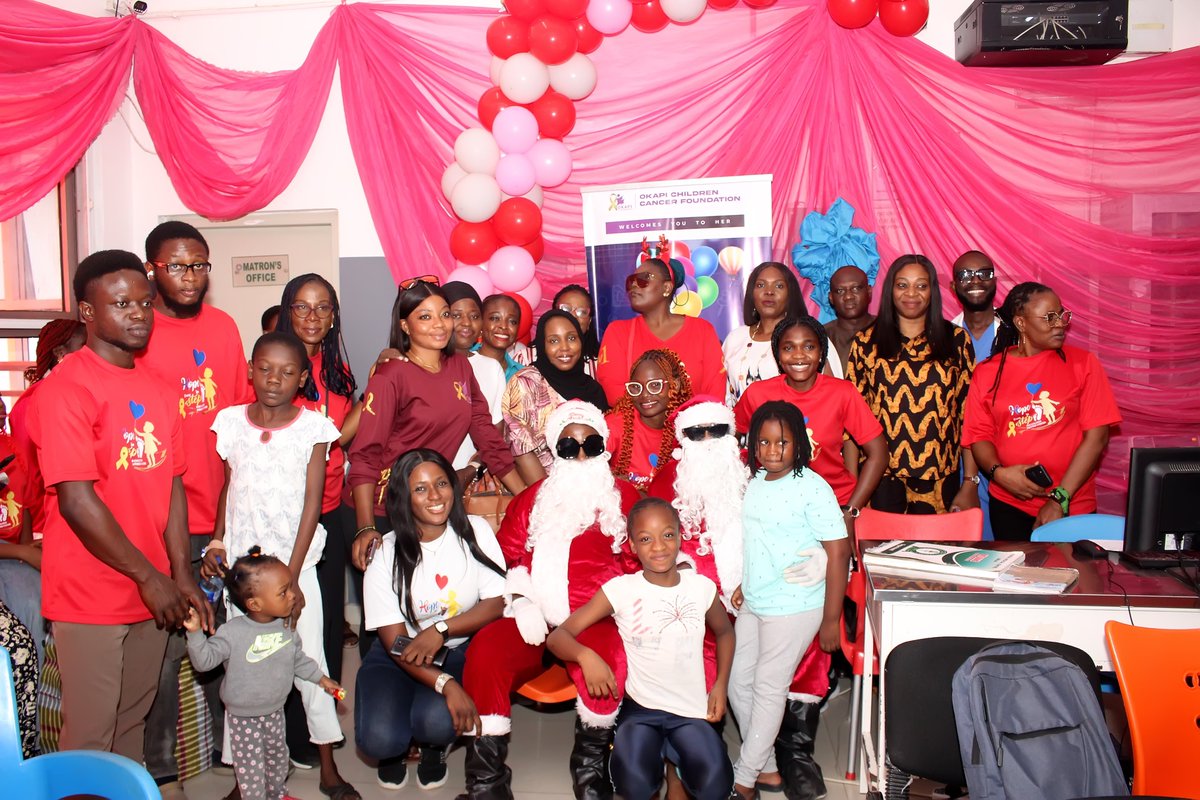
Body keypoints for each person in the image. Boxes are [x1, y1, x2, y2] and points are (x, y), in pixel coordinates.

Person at [29, 250, 208, 763]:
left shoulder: (157, 387)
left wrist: (179, 572)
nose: (138, 314)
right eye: (122, 304)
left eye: (145, 302)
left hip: (152, 589)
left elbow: (173, 485)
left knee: (133, 723)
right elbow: (77, 501)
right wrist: (148, 576)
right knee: (90, 735)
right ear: (88, 312)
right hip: (92, 592)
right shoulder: (67, 388)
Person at [204, 331, 358, 800]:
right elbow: (228, 487)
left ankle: (327, 765)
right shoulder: (230, 422)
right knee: (243, 673)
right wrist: (215, 540)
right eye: (265, 369)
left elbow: (313, 502)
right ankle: (240, 774)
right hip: (245, 576)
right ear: (250, 369)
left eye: (288, 372)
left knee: (310, 660)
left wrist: (291, 579)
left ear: (303, 378)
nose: (275, 379)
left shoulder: (314, 427)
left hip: (295, 567)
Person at [461, 400, 641, 799]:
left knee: (611, 656)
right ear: (554, 451)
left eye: (590, 445)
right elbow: (502, 557)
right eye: (567, 446)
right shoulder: (533, 498)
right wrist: (522, 600)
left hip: (595, 619)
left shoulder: (624, 498)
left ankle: (592, 770)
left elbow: (641, 564)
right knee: (486, 652)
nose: (579, 455)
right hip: (532, 616)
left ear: (604, 447)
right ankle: (486, 780)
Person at [137, 220, 252, 795]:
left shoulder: (225, 327)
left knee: (225, 645)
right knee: (162, 656)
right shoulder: (136, 330)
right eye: (178, 265)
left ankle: (224, 752)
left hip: (221, 522)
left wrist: (230, 522)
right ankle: (161, 772)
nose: (191, 277)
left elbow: (238, 428)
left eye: (200, 265)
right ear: (152, 268)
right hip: (161, 524)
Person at [548, 497, 735, 800]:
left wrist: (721, 685)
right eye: (646, 539)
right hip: (641, 712)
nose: (659, 547)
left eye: (668, 535)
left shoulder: (701, 588)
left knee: (716, 784)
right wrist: (586, 656)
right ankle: (655, 774)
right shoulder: (621, 589)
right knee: (633, 783)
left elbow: (725, 631)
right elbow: (558, 636)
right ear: (633, 547)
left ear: (679, 537)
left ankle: (675, 771)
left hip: (690, 711)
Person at [349, 279, 524, 576]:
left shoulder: (460, 365)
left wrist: (524, 499)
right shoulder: (391, 375)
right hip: (383, 508)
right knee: (390, 610)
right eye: (425, 316)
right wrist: (365, 526)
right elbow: (365, 454)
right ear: (405, 326)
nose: (440, 324)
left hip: (431, 502)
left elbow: (486, 436)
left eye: (444, 314)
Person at [356, 449, 506, 791]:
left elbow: (498, 601)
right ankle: (393, 749)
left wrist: (441, 630)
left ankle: (432, 749)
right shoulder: (384, 552)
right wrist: (446, 685)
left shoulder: (475, 531)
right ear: (403, 497)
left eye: (441, 483)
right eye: (420, 488)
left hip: (452, 651)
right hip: (395, 657)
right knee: (379, 739)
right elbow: (396, 641)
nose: (435, 496)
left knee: (436, 721)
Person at [728, 402, 849, 800]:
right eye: (763, 442)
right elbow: (759, 539)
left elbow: (838, 550)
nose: (772, 449)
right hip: (756, 600)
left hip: (797, 603)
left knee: (766, 686)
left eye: (782, 441)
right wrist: (747, 581)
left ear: (799, 442)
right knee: (737, 684)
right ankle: (766, 769)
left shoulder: (812, 486)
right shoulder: (757, 480)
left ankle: (744, 780)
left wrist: (832, 619)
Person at [274, 273, 362, 764]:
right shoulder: (280, 364)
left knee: (328, 627)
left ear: (333, 317)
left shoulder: (335, 369)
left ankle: (320, 731)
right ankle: (288, 729)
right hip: (288, 516)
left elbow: (339, 438)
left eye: (323, 307)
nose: (312, 316)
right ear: (287, 311)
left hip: (331, 509)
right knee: (285, 624)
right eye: (302, 307)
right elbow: (319, 438)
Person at [963, 283, 1121, 540]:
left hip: (1071, 506)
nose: (1060, 323)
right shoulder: (988, 371)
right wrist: (999, 474)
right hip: (1009, 504)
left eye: (1061, 315)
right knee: (1013, 578)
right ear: (1021, 323)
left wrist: (1060, 499)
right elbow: (979, 435)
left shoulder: (1083, 364)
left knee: (1075, 578)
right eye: (1049, 317)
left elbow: (1097, 438)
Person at [185, 549, 343, 800]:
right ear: (255, 604)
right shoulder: (233, 632)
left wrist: (321, 679)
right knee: (252, 775)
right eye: (284, 592)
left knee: (278, 762)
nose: (293, 596)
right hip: (243, 719)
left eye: (290, 588)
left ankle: (277, 795)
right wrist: (194, 634)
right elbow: (204, 661)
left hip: (275, 712)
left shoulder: (286, 628)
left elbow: (298, 660)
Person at [846, 255, 980, 515]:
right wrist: (852, 483)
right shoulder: (865, 342)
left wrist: (970, 482)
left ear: (932, 291)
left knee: (934, 555)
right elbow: (852, 421)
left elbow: (970, 416)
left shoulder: (956, 340)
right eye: (902, 285)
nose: (911, 294)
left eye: (921, 285)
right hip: (879, 480)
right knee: (881, 555)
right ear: (890, 290)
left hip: (941, 480)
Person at [735, 316, 887, 524]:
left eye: (809, 347)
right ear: (777, 355)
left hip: (834, 505)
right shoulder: (757, 394)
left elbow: (878, 454)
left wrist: (850, 511)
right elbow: (729, 439)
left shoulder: (842, 393)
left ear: (821, 353)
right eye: (788, 348)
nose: (799, 356)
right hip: (775, 508)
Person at [596, 256, 725, 406]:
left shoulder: (703, 330)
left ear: (667, 288)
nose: (634, 286)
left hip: (691, 426)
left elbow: (714, 395)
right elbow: (614, 394)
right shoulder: (618, 332)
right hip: (636, 428)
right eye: (631, 281)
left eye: (644, 279)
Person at [502, 309, 609, 484]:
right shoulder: (526, 383)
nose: (565, 347)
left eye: (572, 338)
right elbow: (521, 452)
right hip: (545, 491)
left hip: (591, 490)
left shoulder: (593, 389)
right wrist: (551, 498)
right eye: (553, 341)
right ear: (543, 345)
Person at [950, 250, 1001, 540]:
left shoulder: (1017, 333)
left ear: (995, 280)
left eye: (984, 273)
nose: (976, 280)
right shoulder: (945, 336)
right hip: (959, 462)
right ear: (953, 286)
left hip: (1005, 457)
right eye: (965, 275)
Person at [605, 348, 693, 492]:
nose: (644, 394)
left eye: (655, 385)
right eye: (636, 387)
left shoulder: (688, 429)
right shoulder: (614, 425)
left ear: (675, 385)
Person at [444, 281, 508, 477]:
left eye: (474, 316)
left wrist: (475, 468)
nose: (466, 323)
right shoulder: (426, 365)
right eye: (456, 315)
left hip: (475, 481)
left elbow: (496, 432)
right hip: (428, 479)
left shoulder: (491, 368)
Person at [722, 261, 806, 405]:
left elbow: (826, 394)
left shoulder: (805, 338)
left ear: (790, 295)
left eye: (779, 286)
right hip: (739, 426)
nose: (769, 292)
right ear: (751, 293)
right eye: (761, 285)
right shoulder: (735, 338)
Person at [823, 265, 875, 380]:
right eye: (840, 291)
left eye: (856, 288)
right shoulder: (820, 336)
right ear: (831, 297)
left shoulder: (890, 329)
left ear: (869, 292)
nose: (848, 296)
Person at [474, 294, 528, 382]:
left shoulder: (523, 376)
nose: (503, 326)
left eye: (512, 321)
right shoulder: (463, 362)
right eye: (495, 318)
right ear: (481, 322)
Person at [552, 284, 601, 375]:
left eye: (582, 312)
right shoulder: (527, 357)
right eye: (566, 309)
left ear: (589, 321)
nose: (573, 316)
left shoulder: (600, 364)